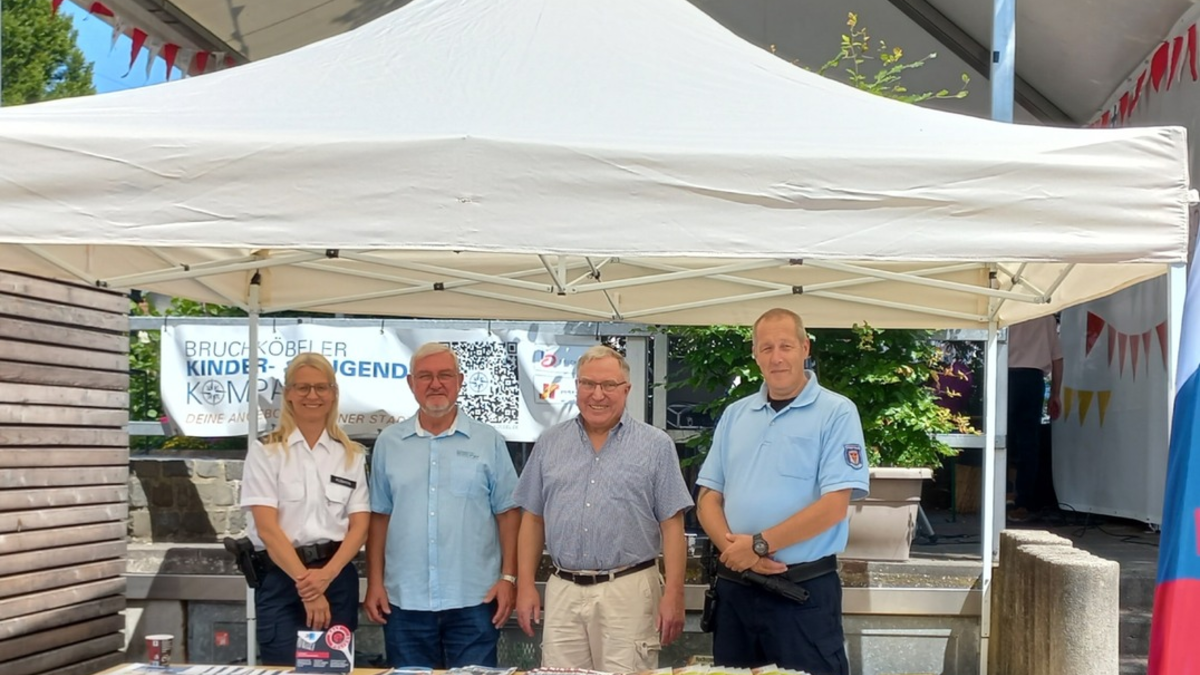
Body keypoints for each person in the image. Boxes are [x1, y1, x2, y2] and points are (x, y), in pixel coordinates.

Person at [695, 308, 870, 675]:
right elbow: (709, 498)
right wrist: (736, 552)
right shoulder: (735, 415)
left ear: (805, 348)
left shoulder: (837, 413)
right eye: (766, 347)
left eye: (786, 346)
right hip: (736, 589)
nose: (776, 357)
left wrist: (757, 545)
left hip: (801, 594)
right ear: (755, 354)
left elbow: (834, 506)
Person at [513, 345, 693, 673]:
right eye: (588, 384)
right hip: (563, 590)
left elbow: (672, 525)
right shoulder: (549, 443)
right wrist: (524, 585)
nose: (598, 394)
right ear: (577, 386)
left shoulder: (656, 446)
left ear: (627, 390)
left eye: (609, 385)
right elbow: (532, 518)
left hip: (629, 590)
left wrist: (675, 593)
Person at [364, 342, 520, 668]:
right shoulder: (389, 443)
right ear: (411, 384)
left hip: (475, 598)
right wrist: (375, 582)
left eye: (445, 375)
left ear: (460, 381)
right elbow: (379, 517)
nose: (435, 384)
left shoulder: (488, 440)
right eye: (425, 376)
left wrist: (508, 579)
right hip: (404, 601)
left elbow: (508, 514)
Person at [240, 353, 369, 666]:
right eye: (303, 388)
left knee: (334, 671)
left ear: (334, 393)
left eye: (321, 387)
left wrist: (325, 578)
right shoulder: (265, 451)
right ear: (288, 394)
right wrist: (309, 589)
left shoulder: (351, 455)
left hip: (335, 578)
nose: (313, 395)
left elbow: (360, 526)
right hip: (282, 579)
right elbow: (268, 529)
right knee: (284, 668)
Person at [1006, 315, 1063, 522]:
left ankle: (1001, 494)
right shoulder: (1047, 317)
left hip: (1006, 375)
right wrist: (1055, 393)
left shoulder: (1007, 309)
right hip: (1033, 379)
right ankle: (1024, 502)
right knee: (1029, 442)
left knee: (1003, 437)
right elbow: (1058, 357)